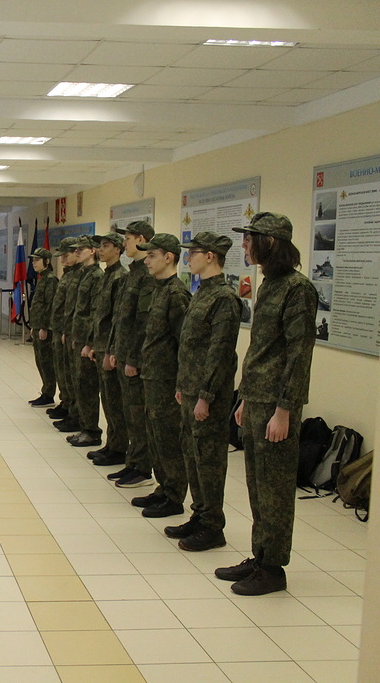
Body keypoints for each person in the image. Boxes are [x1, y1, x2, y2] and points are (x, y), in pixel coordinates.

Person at [216, 212, 317, 596]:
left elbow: (298, 356)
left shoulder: (297, 289)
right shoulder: (270, 284)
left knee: (275, 489)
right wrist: (244, 397)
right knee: (257, 486)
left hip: (277, 405)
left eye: (250, 238)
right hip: (257, 399)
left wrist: (284, 410)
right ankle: (260, 555)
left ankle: (273, 568)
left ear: (270, 242)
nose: (244, 245)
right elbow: (260, 350)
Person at [169, 232, 241, 551]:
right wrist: (182, 385)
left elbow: (220, 352)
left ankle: (212, 526)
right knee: (192, 453)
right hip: (191, 388)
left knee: (209, 458)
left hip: (208, 395)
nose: (188, 258)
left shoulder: (224, 298)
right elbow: (190, 345)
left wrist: (205, 396)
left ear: (210, 256)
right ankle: (199, 515)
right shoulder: (202, 292)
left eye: (193, 253)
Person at [131, 233, 191, 518]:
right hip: (152, 375)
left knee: (168, 438)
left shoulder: (177, 294)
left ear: (169, 257)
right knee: (155, 435)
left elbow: (184, 343)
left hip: (167, 379)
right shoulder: (159, 290)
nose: (147, 261)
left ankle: (174, 495)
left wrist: (180, 382)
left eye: (152, 255)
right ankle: (163, 487)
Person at [106, 221, 157, 488]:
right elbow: (120, 318)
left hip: (135, 359)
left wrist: (134, 358)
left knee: (138, 415)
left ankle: (142, 468)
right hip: (124, 354)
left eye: (127, 239)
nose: (124, 243)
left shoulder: (147, 276)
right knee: (129, 412)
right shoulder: (132, 274)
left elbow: (142, 323)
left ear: (141, 239)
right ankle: (133, 462)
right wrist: (115, 349)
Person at [86, 232, 128, 466]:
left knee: (115, 402)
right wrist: (94, 343)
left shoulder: (120, 277)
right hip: (101, 345)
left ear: (118, 249)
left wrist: (110, 350)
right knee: (108, 400)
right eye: (100, 246)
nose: (101, 250)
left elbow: (116, 319)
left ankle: (119, 448)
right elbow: (98, 316)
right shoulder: (106, 276)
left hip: (110, 349)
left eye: (106, 246)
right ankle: (112, 444)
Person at [66, 236, 104, 447]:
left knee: (87, 387)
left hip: (86, 340)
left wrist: (89, 342)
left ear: (92, 251)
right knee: (79, 384)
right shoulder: (84, 274)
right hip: (78, 337)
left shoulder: (97, 276)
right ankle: (84, 426)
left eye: (81, 249)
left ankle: (91, 430)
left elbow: (94, 312)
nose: (77, 252)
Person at [49, 238, 80, 428]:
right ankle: (66, 403)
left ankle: (73, 411)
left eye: (66, 255)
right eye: (62, 256)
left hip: (69, 331)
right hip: (61, 329)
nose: (63, 260)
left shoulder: (80, 276)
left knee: (71, 375)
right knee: (62, 371)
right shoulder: (68, 275)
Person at [27, 248, 58, 407]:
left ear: (47, 261)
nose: (34, 263)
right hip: (38, 326)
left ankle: (49, 393)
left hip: (44, 328)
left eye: (37, 260)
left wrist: (44, 327)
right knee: (40, 361)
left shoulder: (51, 280)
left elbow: (49, 305)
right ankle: (45, 391)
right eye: (33, 260)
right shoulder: (42, 279)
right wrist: (34, 326)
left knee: (46, 362)